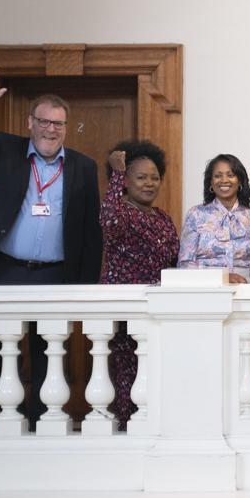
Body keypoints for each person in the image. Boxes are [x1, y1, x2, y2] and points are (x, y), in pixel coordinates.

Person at [0, 63, 102, 426]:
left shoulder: (83, 167)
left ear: (66, 128)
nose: (51, 129)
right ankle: (3, 418)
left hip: (54, 274)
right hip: (5, 269)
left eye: (58, 124)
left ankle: (37, 420)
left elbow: (90, 231)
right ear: (30, 123)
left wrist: (86, 287)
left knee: (45, 350)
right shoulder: (7, 151)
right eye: (44, 121)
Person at [99, 140, 180, 428]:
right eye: (140, 177)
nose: (149, 183)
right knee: (126, 377)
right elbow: (108, 222)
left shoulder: (163, 218)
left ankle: (153, 428)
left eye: (154, 177)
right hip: (126, 311)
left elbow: (175, 262)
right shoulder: (119, 210)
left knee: (155, 376)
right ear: (125, 180)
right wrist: (116, 174)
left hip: (157, 311)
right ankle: (127, 431)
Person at [178, 153, 250, 284]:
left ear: (239, 182)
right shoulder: (195, 214)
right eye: (217, 176)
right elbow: (184, 264)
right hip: (203, 290)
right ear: (211, 182)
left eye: (230, 175)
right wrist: (221, 278)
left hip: (245, 291)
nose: (224, 180)